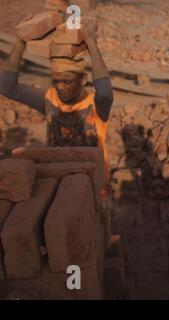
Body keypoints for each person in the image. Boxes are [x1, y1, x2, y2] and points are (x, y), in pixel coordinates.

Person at [0, 17, 113, 200]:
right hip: (57, 180)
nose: (60, 87)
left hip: (92, 184)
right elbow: (7, 87)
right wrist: (20, 42)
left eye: (67, 81)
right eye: (56, 81)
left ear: (83, 80)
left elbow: (106, 93)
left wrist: (91, 43)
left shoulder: (96, 106)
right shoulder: (50, 99)